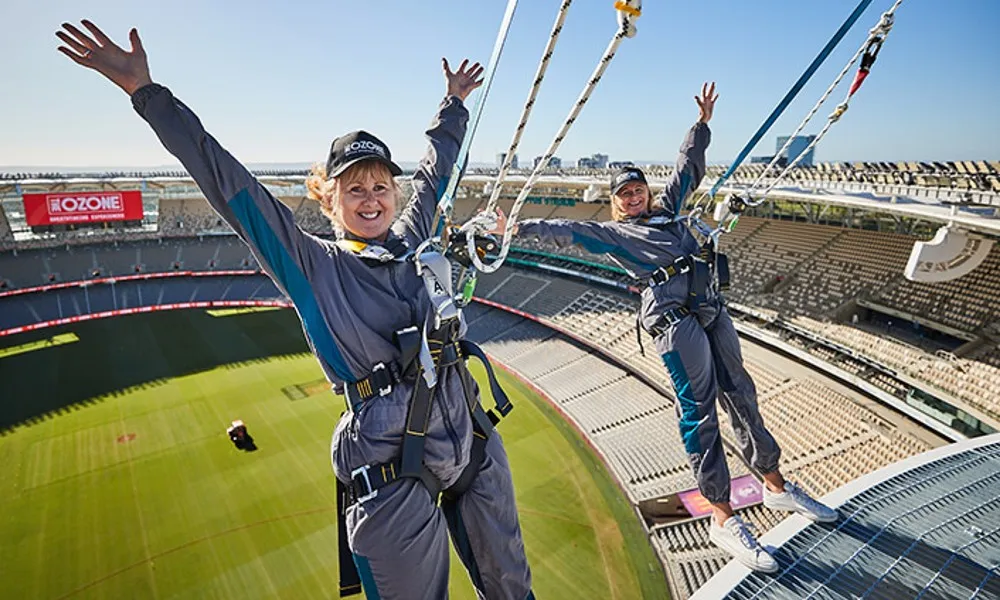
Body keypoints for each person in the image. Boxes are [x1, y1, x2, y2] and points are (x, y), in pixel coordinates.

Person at [56, 20, 533, 599]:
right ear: (329, 199)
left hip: (469, 436)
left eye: (381, 186)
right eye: (354, 189)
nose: (371, 199)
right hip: (392, 466)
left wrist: (453, 103)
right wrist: (147, 94)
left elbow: (437, 169)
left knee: (514, 588)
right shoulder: (313, 265)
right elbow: (227, 183)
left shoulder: (414, 238)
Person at [507, 83, 837, 573]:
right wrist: (517, 229)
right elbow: (569, 231)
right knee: (700, 411)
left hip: (709, 307)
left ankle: (776, 487)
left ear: (647, 190)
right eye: (624, 194)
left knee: (741, 394)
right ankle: (723, 517)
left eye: (637, 188)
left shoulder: (671, 212)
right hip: (674, 320)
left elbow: (688, 167)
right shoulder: (616, 234)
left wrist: (701, 124)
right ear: (616, 203)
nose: (633, 196)